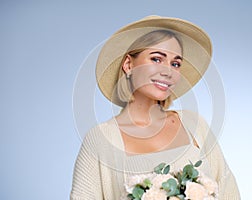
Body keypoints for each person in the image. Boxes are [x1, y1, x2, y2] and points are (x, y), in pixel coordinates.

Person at [70, 16, 240, 199]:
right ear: (128, 65)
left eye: (175, 64)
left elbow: (229, 192)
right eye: (157, 59)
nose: (168, 71)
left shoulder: (195, 125)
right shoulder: (100, 139)